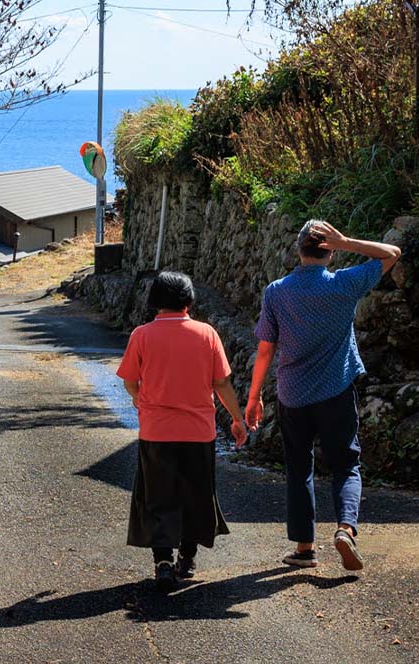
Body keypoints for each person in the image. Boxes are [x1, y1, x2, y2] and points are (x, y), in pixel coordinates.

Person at [245, 219, 401, 572]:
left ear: (298, 250)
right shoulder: (345, 284)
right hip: (336, 390)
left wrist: (253, 397)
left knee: (299, 469)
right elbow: (392, 253)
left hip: (293, 395)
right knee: (346, 463)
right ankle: (345, 529)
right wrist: (346, 241)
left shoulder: (276, 291)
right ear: (329, 252)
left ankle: (304, 548)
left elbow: (266, 348)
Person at [117, 271, 247, 591]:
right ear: (189, 301)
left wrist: (140, 400)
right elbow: (222, 383)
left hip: (156, 432)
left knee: (157, 497)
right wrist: (237, 419)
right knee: (195, 497)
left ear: (155, 302)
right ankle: (186, 560)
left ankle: (162, 562)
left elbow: (130, 381)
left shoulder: (142, 336)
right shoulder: (207, 334)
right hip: (198, 433)